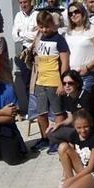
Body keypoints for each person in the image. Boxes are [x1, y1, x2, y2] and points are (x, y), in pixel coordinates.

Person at [32, 11, 70, 153]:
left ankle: (57, 139)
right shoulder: (40, 37)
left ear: (52, 25)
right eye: (41, 27)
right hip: (41, 81)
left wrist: (62, 82)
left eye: (46, 26)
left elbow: (65, 63)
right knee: (41, 113)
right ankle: (45, 138)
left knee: (58, 112)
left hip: (54, 81)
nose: (44, 30)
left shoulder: (59, 39)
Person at [48, 70, 94, 150]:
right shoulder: (68, 97)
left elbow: (85, 121)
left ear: (77, 84)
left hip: (90, 129)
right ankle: (70, 149)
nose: (67, 86)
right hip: (78, 127)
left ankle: (75, 148)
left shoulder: (85, 96)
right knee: (52, 132)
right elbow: (70, 118)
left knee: (74, 132)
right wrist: (59, 124)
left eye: (70, 83)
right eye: (64, 83)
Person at [58, 110, 94, 188]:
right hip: (82, 168)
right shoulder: (73, 135)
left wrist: (72, 180)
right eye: (79, 128)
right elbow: (66, 155)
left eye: (86, 126)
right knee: (62, 146)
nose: (83, 130)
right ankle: (70, 179)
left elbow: (90, 168)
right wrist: (65, 177)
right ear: (74, 127)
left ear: (90, 124)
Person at [63, 2, 94, 92]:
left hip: (86, 75)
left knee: (85, 105)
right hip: (70, 76)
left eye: (76, 11)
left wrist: (88, 68)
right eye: (70, 13)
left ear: (82, 12)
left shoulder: (92, 29)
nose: (73, 14)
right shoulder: (68, 32)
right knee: (72, 105)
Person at [12, 0, 38, 116]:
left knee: (38, 81)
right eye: (21, 3)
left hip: (36, 50)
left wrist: (21, 33)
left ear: (30, 1)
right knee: (27, 81)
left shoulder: (37, 14)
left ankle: (41, 108)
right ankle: (31, 110)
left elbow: (37, 35)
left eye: (25, 2)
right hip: (24, 51)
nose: (23, 5)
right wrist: (26, 34)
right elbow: (14, 37)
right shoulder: (18, 16)